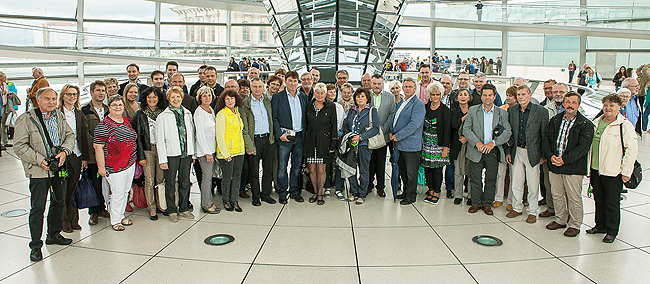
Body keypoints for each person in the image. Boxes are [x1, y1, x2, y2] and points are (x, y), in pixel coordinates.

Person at [15, 87, 75, 262]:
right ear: (38, 100)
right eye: (47, 99)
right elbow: (19, 145)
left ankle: (54, 234)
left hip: (59, 168)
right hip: (39, 170)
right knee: (38, 208)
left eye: (54, 99)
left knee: (58, 202)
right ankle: (35, 245)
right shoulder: (26, 119)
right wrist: (39, 160)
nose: (51, 102)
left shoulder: (59, 116)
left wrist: (64, 152)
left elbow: (70, 136)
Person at [587, 94, 637, 243]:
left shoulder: (624, 125)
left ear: (619, 107)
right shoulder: (596, 122)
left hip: (613, 171)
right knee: (599, 199)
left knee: (611, 202)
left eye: (612, 105)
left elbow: (631, 149)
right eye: (605, 105)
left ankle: (611, 230)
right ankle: (600, 225)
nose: (608, 108)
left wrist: (626, 171)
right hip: (596, 168)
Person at [543, 91, 594, 237]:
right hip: (554, 164)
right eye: (568, 102)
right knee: (557, 195)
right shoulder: (555, 120)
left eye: (574, 102)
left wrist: (564, 159)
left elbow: (583, 148)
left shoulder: (585, 124)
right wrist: (551, 156)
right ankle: (560, 219)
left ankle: (575, 224)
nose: (570, 105)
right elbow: (546, 139)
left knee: (573, 197)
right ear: (563, 103)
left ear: (578, 105)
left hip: (573, 167)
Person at [463, 84, 511, 215]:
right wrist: (477, 143)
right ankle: (476, 202)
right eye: (485, 95)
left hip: (492, 151)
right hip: (476, 150)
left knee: (491, 178)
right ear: (481, 96)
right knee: (475, 178)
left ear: (495, 97)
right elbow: (466, 129)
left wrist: (493, 143)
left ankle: (487, 203)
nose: (487, 98)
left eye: (490, 95)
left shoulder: (502, 113)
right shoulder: (473, 110)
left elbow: (507, 132)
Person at [505, 85, 548, 223]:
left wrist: (543, 155)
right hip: (517, 150)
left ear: (529, 95)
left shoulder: (541, 111)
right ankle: (517, 207)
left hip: (533, 151)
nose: (520, 97)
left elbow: (544, 134)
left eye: (523, 94)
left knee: (533, 183)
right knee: (516, 181)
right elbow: (509, 132)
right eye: (518, 94)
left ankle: (532, 211)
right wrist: (508, 151)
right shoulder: (512, 110)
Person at [94, 95, 137, 231]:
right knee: (117, 193)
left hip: (129, 162)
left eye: (120, 105)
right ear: (109, 107)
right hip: (114, 165)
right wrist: (101, 167)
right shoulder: (103, 125)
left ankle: (121, 214)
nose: (118, 107)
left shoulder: (125, 120)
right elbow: (98, 147)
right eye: (115, 105)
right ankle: (115, 220)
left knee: (125, 192)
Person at [156, 86, 196, 222]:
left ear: (182, 98)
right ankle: (171, 210)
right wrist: (162, 159)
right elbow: (160, 140)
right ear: (168, 99)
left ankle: (184, 208)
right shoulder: (162, 116)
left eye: (178, 96)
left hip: (186, 154)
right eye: (172, 97)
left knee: (185, 182)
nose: (176, 99)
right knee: (170, 183)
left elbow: (191, 135)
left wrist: (193, 154)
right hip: (171, 154)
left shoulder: (188, 114)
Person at [272, 71, 308, 204]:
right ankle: (282, 192)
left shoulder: (303, 97)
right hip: (285, 137)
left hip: (299, 137)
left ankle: (294, 191)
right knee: (282, 167)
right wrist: (279, 134)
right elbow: (274, 118)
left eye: (295, 81)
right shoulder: (278, 97)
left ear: (297, 82)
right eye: (290, 81)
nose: (293, 84)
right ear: (285, 82)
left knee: (296, 166)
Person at [58, 85, 89, 232]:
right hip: (62, 159)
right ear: (63, 96)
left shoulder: (79, 113)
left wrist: (84, 158)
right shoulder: (57, 113)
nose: (72, 97)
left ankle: (74, 219)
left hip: (76, 156)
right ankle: (64, 222)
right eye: (69, 94)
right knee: (62, 190)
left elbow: (83, 135)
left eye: (75, 94)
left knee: (73, 189)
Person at [132, 87, 167, 220]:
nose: (152, 99)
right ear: (145, 99)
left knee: (160, 179)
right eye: (149, 97)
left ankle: (161, 205)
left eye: (155, 97)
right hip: (147, 150)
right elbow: (138, 137)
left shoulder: (163, 113)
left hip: (161, 150)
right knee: (149, 180)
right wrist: (141, 156)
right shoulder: (140, 114)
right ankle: (152, 208)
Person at [241, 77, 276, 206]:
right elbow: (244, 128)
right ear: (251, 88)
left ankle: (266, 194)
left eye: (260, 87)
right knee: (254, 171)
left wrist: (272, 138)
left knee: (268, 170)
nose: (257, 89)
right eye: (255, 86)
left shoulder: (267, 101)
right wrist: (249, 145)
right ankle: (256, 196)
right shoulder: (245, 104)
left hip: (268, 139)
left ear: (263, 88)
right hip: (254, 140)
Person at [391, 78, 426, 205]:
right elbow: (395, 118)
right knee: (403, 171)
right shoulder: (402, 102)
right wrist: (392, 131)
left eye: (410, 87)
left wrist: (398, 135)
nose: (407, 89)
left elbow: (414, 125)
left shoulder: (418, 104)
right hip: (400, 144)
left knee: (411, 173)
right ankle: (405, 192)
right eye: (405, 86)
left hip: (411, 145)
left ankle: (411, 196)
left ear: (415, 88)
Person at [81, 81, 111, 225]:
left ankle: (102, 207)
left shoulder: (108, 109)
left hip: (108, 153)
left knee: (105, 183)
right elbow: (84, 133)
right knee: (94, 182)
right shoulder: (85, 110)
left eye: (103, 90)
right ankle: (94, 211)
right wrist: (99, 143)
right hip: (93, 154)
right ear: (91, 92)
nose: (101, 93)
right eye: (98, 90)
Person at [342, 88, 379, 204]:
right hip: (351, 144)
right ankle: (354, 192)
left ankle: (362, 194)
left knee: (363, 170)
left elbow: (376, 129)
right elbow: (347, 125)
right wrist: (350, 136)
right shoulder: (352, 111)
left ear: (367, 98)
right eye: (358, 96)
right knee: (351, 169)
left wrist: (360, 137)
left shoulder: (372, 111)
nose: (360, 98)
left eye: (362, 96)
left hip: (364, 144)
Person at [303, 83, 337, 205]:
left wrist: (333, 144)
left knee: (322, 169)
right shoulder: (309, 106)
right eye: (317, 92)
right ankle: (315, 192)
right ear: (314, 93)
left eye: (322, 93)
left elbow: (334, 126)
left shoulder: (330, 106)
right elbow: (305, 124)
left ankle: (321, 193)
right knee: (312, 169)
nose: (319, 95)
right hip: (311, 140)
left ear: (326, 94)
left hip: (324, 141)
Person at [215, 90, 246, 212]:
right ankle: (226, 201)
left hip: (239, 151)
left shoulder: (236, 112)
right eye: (227, 99)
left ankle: (235, 201)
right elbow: (219, 136)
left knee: (237, 177)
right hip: (227, 152)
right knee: (227, 177)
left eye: (232, 98)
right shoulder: (222, 114)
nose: (230, 101)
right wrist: (225, 153)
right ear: (223, 101)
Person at [421, 81, 451, 204]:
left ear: (441, 95)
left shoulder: (445, 111)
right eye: (433, 94)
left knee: (437, 169)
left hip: (439, 144)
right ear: (429, 95)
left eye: (437, 94)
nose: (435, 97)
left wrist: (445, 148)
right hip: (426, 143)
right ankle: (431, 190)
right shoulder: (425, 107)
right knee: (428, 168)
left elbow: (447, 130)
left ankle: (437, 192)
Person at [367, 74, 396, 197]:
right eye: (374, 83)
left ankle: (380, 187)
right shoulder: (366, 95)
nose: (377, 86)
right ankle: (368, 185)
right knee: (368, 162)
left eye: (379, 83)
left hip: (383, 135)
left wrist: (382, 129)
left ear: (383, 84)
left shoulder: (390, 97)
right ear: (371, 84)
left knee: (380, 162)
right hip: (368, 134)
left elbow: (392, 114)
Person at [193, 86, 220, 214]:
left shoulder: (210, 110)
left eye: (209, 95)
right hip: (205, 152)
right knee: (207, 177)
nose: (207, 97)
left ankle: (209, 201)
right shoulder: (199, 112)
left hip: (211, 149)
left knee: (209, 177)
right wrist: (207, 152)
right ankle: (206, 204)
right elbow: (200, 134)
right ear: (200, 98)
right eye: (204, 95)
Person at [494, 86, 518, 209]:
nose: (508, 98)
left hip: (515, 146)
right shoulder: (501, 109)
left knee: (514, 175)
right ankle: (498, 197)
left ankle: (511, 200)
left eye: (511, 96)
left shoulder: (519, 111)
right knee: (500, 173)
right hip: (501, 145)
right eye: (507, 95)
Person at [450, 89, 472, 205]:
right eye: (460, 95)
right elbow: (453, 124)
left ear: (469, 98)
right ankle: (458, 195)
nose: (463, 97)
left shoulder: (474, 111)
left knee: (471, 171)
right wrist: (464, 117)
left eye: (465, 95)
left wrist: (467, 138)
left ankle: (471, 195)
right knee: (458, 172)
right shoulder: (453, 111)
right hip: (457, 144)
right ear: (457, 98)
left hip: (471, 145)